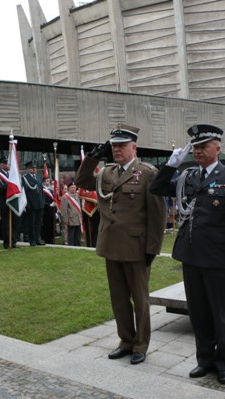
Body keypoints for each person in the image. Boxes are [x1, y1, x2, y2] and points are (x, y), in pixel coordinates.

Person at [150, 124, 225, 385]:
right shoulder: (187, 176)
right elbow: (157, 188)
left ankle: (224, 363)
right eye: (194, 147)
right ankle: (204, 360)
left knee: (221, 314)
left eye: (203, 146)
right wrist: (171, 165)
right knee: (198, 313)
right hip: (191, 255)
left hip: (218, 258)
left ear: (217, 148)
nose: (197, 151)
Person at [75, 123, 166, 365]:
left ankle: (140, 344)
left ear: (133, 147)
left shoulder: (147, 173)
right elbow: (82, 182)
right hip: (111, 245)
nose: (116, 150)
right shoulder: (106, 172)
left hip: (136, 248)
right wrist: (92, 159)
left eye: (121, 145)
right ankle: (125, 341)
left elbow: (158, 216)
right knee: (118, 299)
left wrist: (153, 249)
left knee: (140, 299)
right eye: (114, 146)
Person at [0, 156, 20, 248]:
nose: (8, 165)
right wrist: (7, 185)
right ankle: (7, 242)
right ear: (2, 165)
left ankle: (14, 241)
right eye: (6, 163)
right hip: (5, 202)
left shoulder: (12, 175)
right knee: (6, 223)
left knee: (15, 222)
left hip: (13, 201)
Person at [22, 161, 44, 246]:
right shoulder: (25, 178)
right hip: (31, 204)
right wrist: (27, 204)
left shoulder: (38, 177)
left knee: (38, 223)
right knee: (31, 223)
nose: (34, 169)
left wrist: (42, 202)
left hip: (39, 204)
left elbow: (41, 191)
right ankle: (32, 240)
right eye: (32, 168)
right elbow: (25, 193)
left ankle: (37, 239)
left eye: (35, 168)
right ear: (28, 169)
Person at [41, 177, 56, 244]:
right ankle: (46, 239)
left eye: (49, 181)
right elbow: (42, 201)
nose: (48, 182)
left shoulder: (51, 190)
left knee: (51, 226)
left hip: (52, 211)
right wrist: (49, 205)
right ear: (44, 182)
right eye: (47, 181)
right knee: (46, 225)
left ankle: (51, 239)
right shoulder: (42, 190)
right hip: (46, 211)